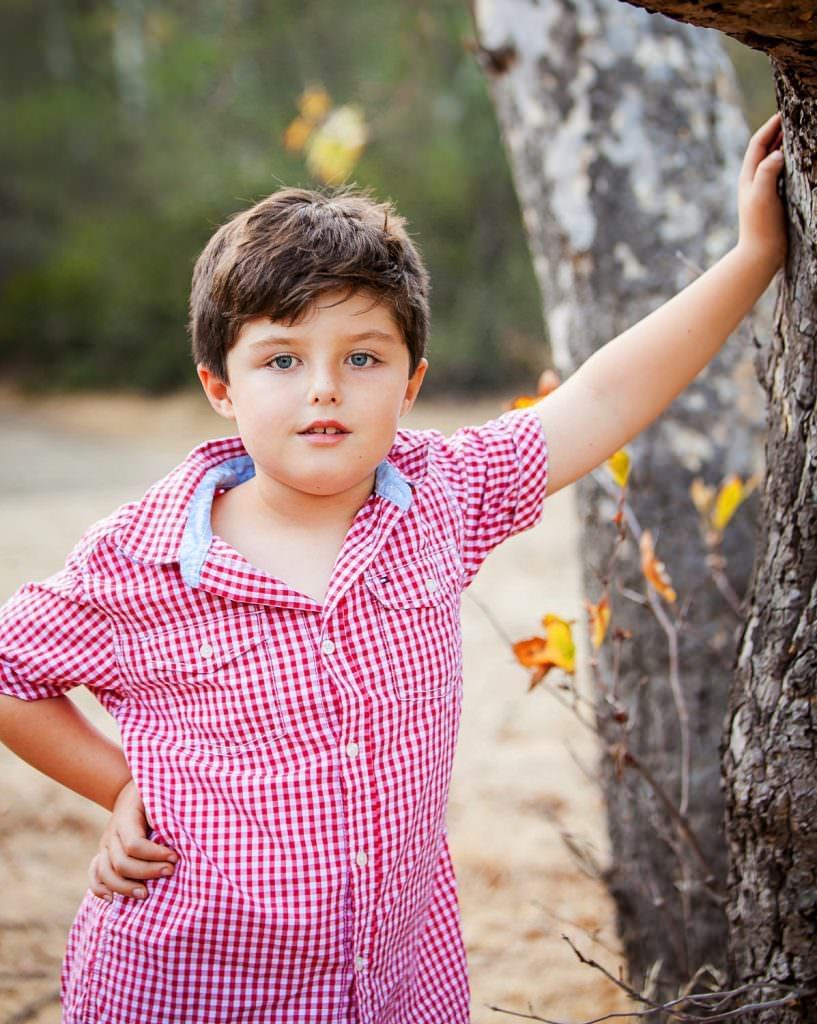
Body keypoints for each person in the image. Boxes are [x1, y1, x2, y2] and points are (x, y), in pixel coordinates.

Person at [0, 112, 786, 1024]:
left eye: (362, 357)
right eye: (282, 359)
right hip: (190, 985)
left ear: (410, 381)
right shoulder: (142, 562)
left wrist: (751, 257)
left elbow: (602, 396)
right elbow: (13, 672)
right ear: (220, 385)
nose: (324, 387)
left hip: (392, 986)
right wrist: (123, 785)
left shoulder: (442, 497)